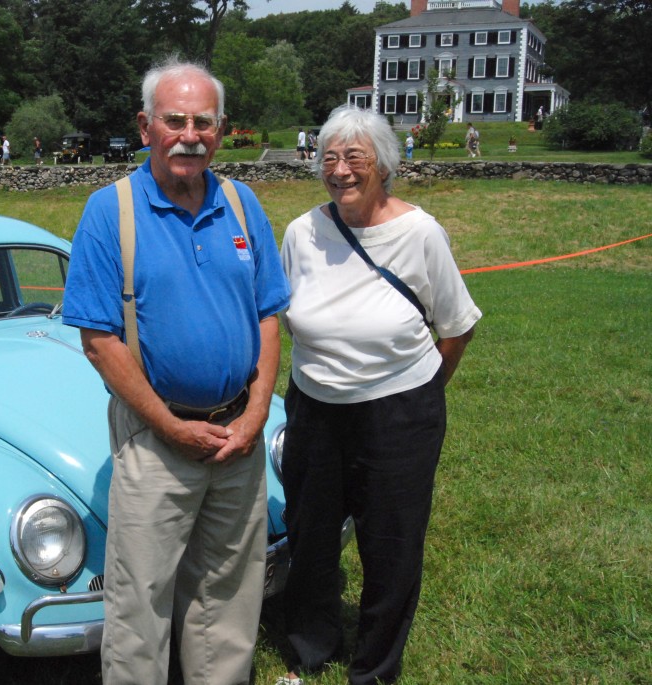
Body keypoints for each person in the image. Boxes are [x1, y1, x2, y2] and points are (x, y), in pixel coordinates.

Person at [62, 57, 290, 685]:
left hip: (236, 441)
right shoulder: (111, 212)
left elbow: (269, 316)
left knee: (228, 599)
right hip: (154, 439)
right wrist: (166, 425)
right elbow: (100, 340)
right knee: (141, 603)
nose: (190, 135)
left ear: (220, 130)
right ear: (145, 126)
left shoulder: (242, 204)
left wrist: (256, 411)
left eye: (203, 122)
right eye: (174, 120)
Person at [275, 105, 481, 685]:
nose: (340, 170)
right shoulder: (301, 233)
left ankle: (375, 669)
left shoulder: (420, 233)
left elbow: (457, 326)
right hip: (314, 407)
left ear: (385, 165)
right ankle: (310, 648)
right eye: (330, 158)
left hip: (399, 416)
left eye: (354, 158)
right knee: (310, 535)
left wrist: (417, 393)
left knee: (391, 546)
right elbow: (288, 319)